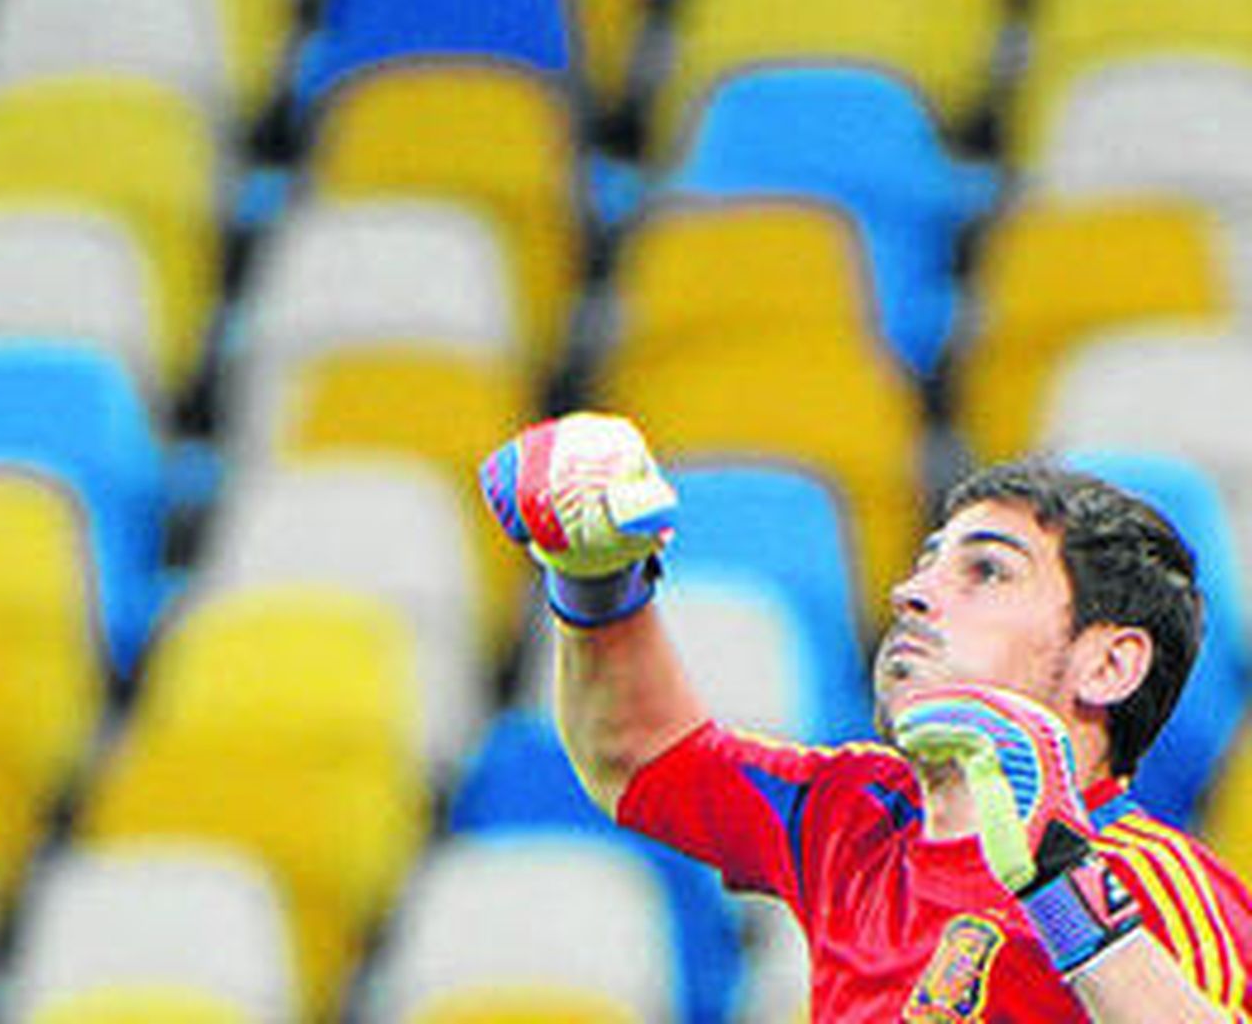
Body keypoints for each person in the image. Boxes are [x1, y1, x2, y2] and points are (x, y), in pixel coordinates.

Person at [479, 411, 1252, 1020]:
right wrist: (595, 578)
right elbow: (647, 758)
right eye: (926, 563)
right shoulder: (858, 813)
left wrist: (1060, 884)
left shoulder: (1152, 877)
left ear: (1109, 664)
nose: (910, 594)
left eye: (986, 570)